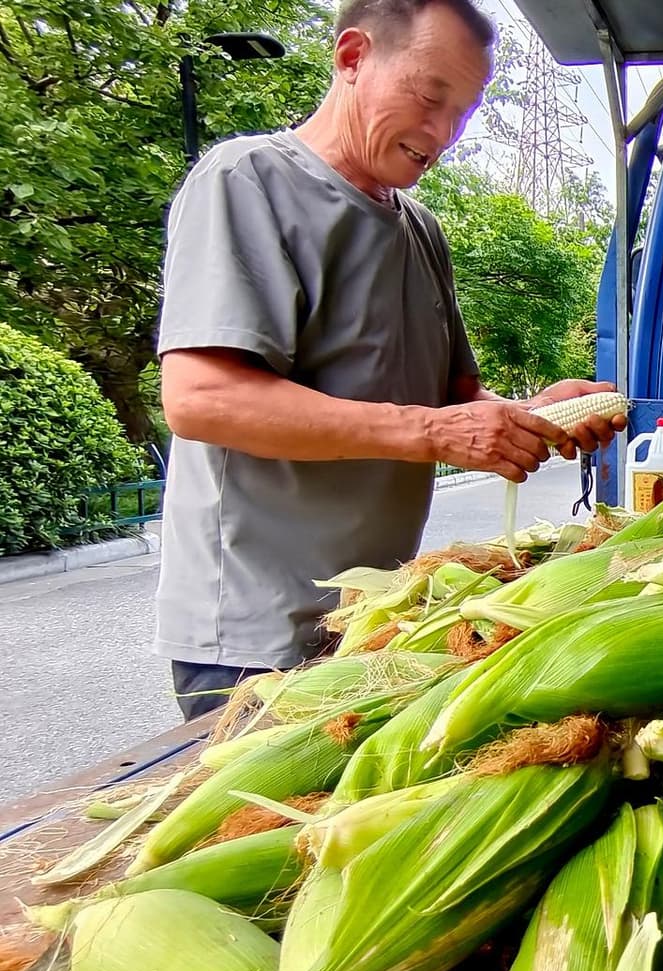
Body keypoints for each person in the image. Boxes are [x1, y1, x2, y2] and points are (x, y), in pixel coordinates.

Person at [153, 0, 621, 721]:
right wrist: (434, 432)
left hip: (374, 618)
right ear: (352, 57)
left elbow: (453, 398)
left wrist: (531, 416)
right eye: (430, 98)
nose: (444, 135)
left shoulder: (420, 229)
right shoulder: (247, 180)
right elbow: (202, 399)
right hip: (258, 635)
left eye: (463, 114)